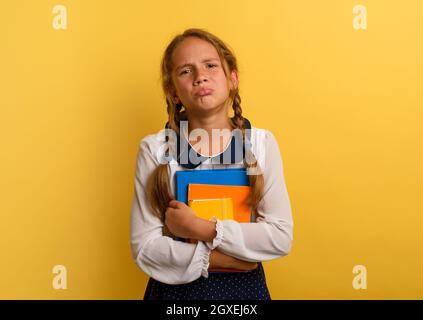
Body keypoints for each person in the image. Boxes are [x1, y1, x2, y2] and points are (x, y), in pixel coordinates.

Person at [130, 28, 294, 300]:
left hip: (244, 295)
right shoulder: (155, 149)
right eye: (185, 71)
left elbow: (279, 237)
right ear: (172, 92)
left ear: (233, 79)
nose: (200, 77)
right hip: (174, 297)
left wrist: (200, 228)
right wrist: (226, 259)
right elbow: (145, 248)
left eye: (210, 65)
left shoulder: (262, 144)